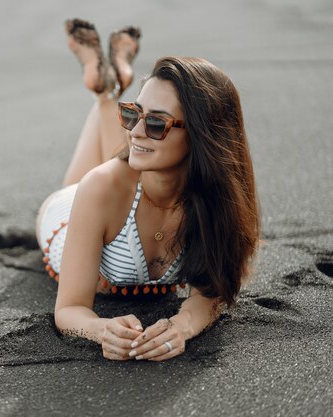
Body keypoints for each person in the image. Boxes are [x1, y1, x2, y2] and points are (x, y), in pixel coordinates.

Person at [35, 19, 260, 362]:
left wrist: (184, 324)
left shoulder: (220, 200)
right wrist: (100, 330)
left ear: (202, 135)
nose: (137, 129)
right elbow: (69, 311)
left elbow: (212, 294)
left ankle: (109, 89)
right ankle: (108, 94)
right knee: (99, 177)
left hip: (132, 186)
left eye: (157, 122)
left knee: (136, 158)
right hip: (67, 216)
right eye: (132, 113)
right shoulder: (100, 187)